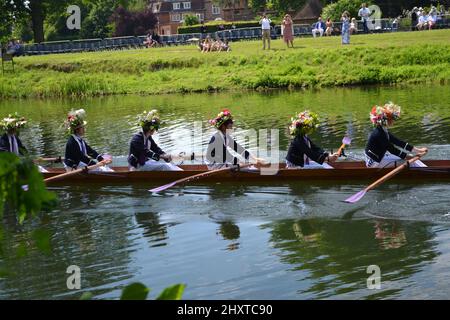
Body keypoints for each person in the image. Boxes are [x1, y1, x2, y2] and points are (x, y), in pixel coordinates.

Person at [365, 102, 428, 169]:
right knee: (409, 160)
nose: (393, 121)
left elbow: (398, 142)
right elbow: (392, 149)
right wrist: (408, 157)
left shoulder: (383, 130)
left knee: (409, 159)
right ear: (385, 121)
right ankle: (427, 172)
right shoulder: (379, 134)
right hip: (374, 163)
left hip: (380, 157)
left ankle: (424, 168)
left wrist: (418, 150)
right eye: (391, 119)